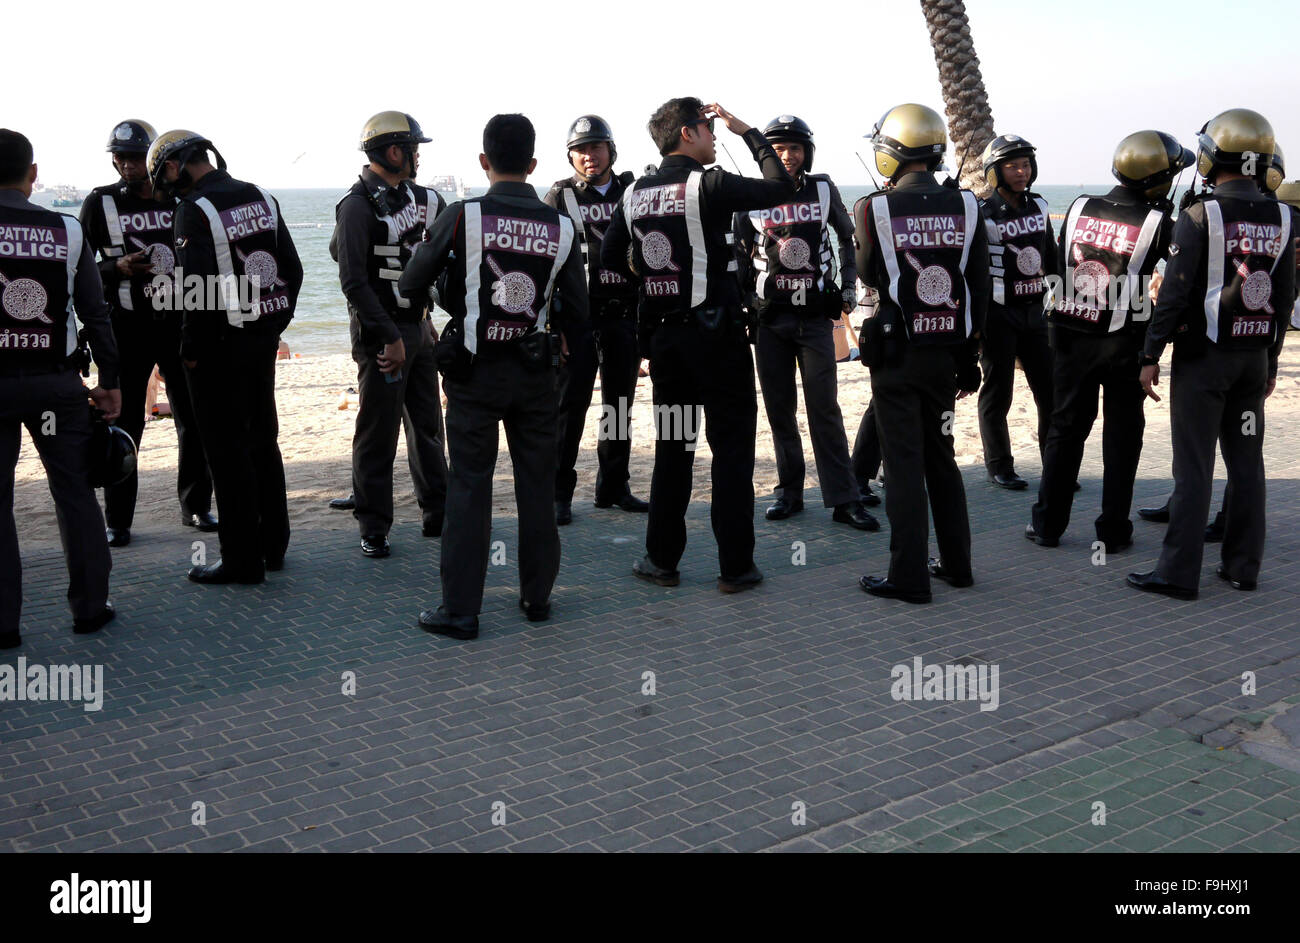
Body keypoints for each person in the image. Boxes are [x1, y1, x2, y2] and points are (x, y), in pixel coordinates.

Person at [400, 114, 587, 640]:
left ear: (484, 161)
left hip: (474, 376)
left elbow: (413, 280)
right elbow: (577, 312)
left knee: (469, 487)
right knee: (536, 485)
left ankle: (461, 610)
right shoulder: (561, 226)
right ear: (533, 164)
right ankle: (536, 597)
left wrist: (444, 297)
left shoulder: (463, 216)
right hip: (536, 376)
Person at [600, 98, 798, 593]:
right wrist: (748, 130)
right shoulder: (706, 184)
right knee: (731, 451)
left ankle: (661, 561)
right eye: (710, 130)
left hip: (666, 345)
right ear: (688, 134)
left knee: (674, 450)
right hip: (720, 344)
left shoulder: (633, 195)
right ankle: (735, 568)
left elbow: (609, 259)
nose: (715, 137)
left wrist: (651, 268)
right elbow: (781, 187)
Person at [1129, 109, 1294, 599]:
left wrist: (1150, 353)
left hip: (1205, 360)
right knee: (1247, 463)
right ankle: (1243, 567)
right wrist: (1273, 360)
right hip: (1253, 357)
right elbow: (1283, 296)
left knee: (1194, 466)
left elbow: (1175, 294)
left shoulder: (1199, 215)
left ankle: (1178, 573)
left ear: (1212, 157)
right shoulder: (1286, 215)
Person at [147, 130, 303, 584]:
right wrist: (275, 325)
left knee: (227, 454)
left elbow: (194, 288)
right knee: (263, 442)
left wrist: (190, 352)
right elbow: (290, 269)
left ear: (175, 167)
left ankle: (241, 560)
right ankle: (274, 546)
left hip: (218, 351)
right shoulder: (261, 196)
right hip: (260, 342)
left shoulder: (192, 211)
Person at [1025, 130, 1189, 554]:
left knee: (1065, 431)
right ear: (1157, 181)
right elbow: (1180, 274)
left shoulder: (1079, 207)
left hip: (1070, 338)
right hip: (1125, 346)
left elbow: (1059, 265)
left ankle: (1047, 526)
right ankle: (1112, 531)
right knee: (1121, 437)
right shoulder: (1158, 222)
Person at [852, 103, 989, 604]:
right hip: (948, 353)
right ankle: (958, 565)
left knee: (904, 467)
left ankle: (908, 575)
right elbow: (978, 286)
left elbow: (868, 273)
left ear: (890, 152)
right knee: (943, 461)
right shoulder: (970, 205)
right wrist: (970, 357)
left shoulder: (872, 207)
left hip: (897, 354)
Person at [0, 129, 121, 648]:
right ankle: (90, 609)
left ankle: (4, 624)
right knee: (75, 493)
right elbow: (95, 313)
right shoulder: (67, 231)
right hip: (57, 384)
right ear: (33, 174)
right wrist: (110, 381)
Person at [734, 115, 877, 531]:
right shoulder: (751, 194)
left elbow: (848, 242)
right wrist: (749, 305)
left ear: (806, 152)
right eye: (778, 148)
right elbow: (741, 259)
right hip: (770, 321)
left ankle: (844, 499)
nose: (787, 155)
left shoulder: (822, 188)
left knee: (824, 409)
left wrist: (848, 291)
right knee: (780, 410)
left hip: (815, 319)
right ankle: (789, 493)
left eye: (795, 148)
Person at [80, 119, 215, 548]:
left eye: (136, 156)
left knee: (192, 420)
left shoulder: (182, 200)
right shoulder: (99, 204)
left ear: (153, 158)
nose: (126, 164)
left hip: (179, 323)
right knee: (124, 423)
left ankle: (195, 506)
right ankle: (118, 520)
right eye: (118, 157)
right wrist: (112, 268)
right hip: (126, 327)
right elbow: (77, 269)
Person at [331, 111, 448, 558]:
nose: (418, 157)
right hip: (383, 335)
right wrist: (390, 337)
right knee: (377, 432)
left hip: (418, 327)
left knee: (427, 426)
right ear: (396, 151)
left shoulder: (422, 199)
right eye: (414, 148)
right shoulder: (357, 204)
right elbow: (353, 281)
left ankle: (437, 512)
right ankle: (374, 526)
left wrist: (425, 321)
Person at [543, 115, 648, 525]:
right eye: (581, 150)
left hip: (624, 316)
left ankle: (613, 487)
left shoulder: (633, 191)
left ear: (611, 150)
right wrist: (556, 327)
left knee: (618, 406)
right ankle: (558, 495)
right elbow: (545, 266)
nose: (589, 156)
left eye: (596, 147)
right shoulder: (558, 197)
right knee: (569, 408)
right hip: (578, 321)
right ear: (570, 156)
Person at [977, 134, 1057, 490]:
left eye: (1025, 164)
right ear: (995, 171)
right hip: (998, 315)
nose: (1021, 171)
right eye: (1012, 165)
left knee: (1050, 392)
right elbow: (974, 270)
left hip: (1037, 312)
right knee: (998, 393)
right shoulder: (983, 214)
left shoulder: (1039, 207)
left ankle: (1055, 465)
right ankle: (999, 466)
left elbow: (1053, 259)